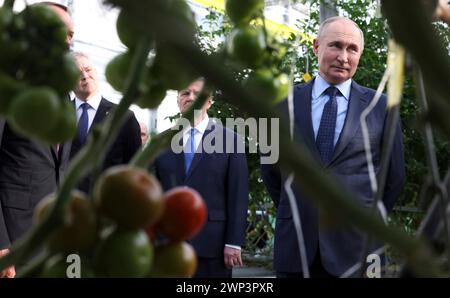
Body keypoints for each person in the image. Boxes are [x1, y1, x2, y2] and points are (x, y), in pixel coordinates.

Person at [261, 16, 405, 278]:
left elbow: (394, 178)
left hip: (360, 250)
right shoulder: (279, 105)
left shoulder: (382, 108)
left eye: (352, 49)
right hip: (297, 246)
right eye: (335, 46)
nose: (343, 57)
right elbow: (270, 171)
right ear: (316, 47)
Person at [0, 1, 75, 278]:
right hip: (13, 235)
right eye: (61, 31)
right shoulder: (7, 82)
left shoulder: (64, 92)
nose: (68, 41)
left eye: (71, 35)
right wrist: (1, 244)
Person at [154, 78, 249, 278]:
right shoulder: (160, 142)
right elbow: (153, 193)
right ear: (178, 100)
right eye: (185, 93)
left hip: (214, 245)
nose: (191, 98)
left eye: (198, 93)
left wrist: (234, 241)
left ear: (210, 100)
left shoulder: (231, 140)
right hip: (169, 244)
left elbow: (238, 193)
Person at [69, 52, 141, 194]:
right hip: (66, 204)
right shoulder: (61, 114)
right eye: (77, 74)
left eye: (88, 70)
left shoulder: (123, 117)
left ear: (95, 72)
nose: (85, 76)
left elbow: (134, 167)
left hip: (107, 204)